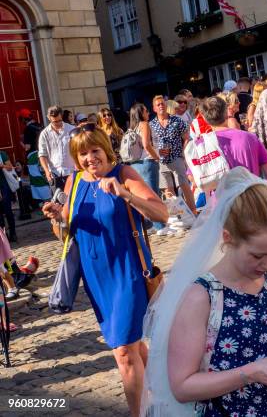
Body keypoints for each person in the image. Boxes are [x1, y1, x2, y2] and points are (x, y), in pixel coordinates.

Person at [141, 167, 267, 416]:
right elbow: (182, 386)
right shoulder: (201, 296)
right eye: (257, 255)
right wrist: (252, 372)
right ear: (228, 238)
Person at [41, 126, 168, 416]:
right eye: (82, 153)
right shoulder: (73, 182)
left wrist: (125, 194)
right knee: (131, 346)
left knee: (123, 351)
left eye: (94, 150)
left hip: (127, 272)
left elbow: (161, 213)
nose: (90, 158)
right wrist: (58, 218)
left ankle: (139, 412)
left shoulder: (124, 174)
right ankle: (165, 391)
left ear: (105, 149)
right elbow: (70, 234)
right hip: (96, 279)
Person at [202, 97, 267, 189]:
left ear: (204, 117)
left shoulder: (202, 144)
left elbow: (194, 178)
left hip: (221, 200)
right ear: (226, 111)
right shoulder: (250, 137)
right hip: (252, 196)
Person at [149, 95, 197, 225]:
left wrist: (182, 150)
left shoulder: (176, 120)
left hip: (176, 157)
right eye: (158, 104)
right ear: (154, 108)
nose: (161, 106)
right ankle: (178, 217)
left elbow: (187, 136)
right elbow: (149, 144)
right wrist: (157, 152)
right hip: (161, 161)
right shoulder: (151, 125)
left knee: (184, 184)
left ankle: (193, 211)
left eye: (162, 103)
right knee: (168, 189)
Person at [127, 104, 162, 228]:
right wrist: (156, 157)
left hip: (136, 164)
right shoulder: (144, 124)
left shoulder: (132, 127)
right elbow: (146, 145)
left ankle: (148, 224)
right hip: (148, 162)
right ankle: (159, 226)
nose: (148, 113)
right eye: (146, 111)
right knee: (153, 195)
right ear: (140, 113)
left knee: (143, 196)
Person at [38, 105, 75, 191]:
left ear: (62, 116)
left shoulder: (72, 129)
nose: (58, 123)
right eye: (55, 122)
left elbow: (79, 149)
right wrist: (47, 171)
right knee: (59, 202)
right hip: (55, 174)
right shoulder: (44, 134)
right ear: (49, 118)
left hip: (71, 172)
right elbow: (42, 155)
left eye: (60, 120)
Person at [0, 151, 17, 242]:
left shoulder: (1, 154)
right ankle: (3, 237)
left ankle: (13, 233)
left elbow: (10, 167)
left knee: (7, 211)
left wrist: (2, 166)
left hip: (3, 186)